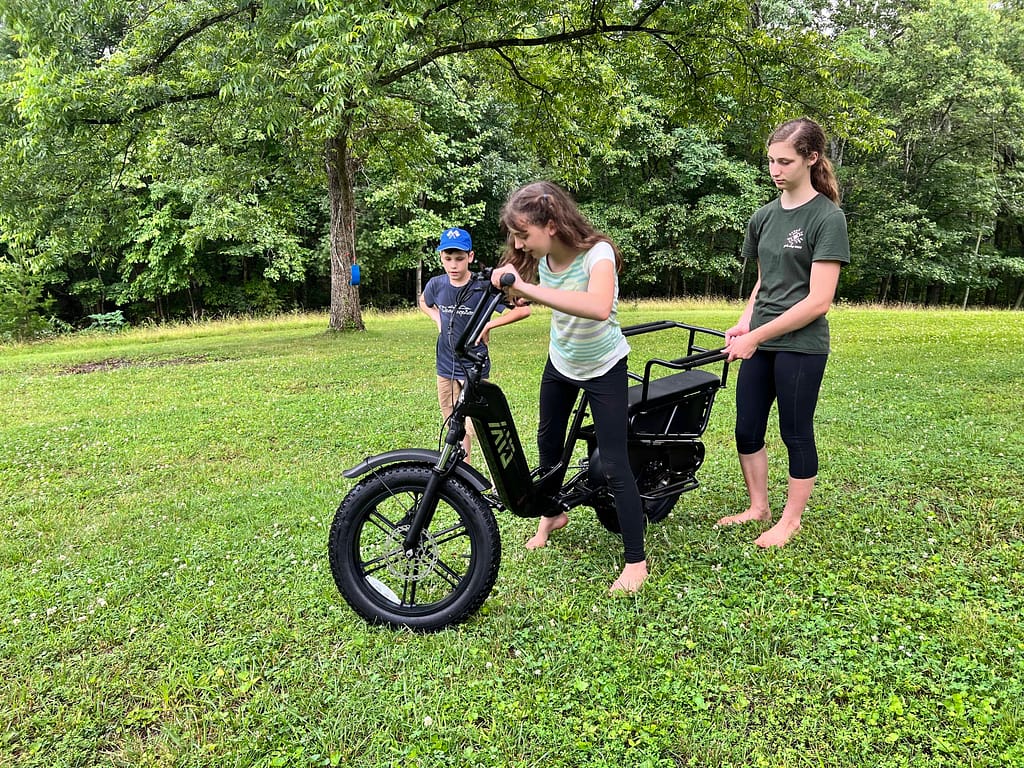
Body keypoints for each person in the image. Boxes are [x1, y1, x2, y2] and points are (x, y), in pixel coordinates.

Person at [490, 182, 647, 594]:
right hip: (561, 362)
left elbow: (597, 307)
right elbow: (514, 292)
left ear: (553, 225)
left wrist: (524, 289)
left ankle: (636, 561)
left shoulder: (599, 255)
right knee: (548, 445)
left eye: (524, 234)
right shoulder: (536, 258)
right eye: (516, 236)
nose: (519, 245)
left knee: (614, 462)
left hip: (604, 366)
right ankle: (553, 514)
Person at [716, 117, 850, 548]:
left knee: (795, 432)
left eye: (785, 161)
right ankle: (759, 507)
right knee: (747, 429)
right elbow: (763, 282)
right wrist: (744, 321)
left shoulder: (827, 219)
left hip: (801, 346)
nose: (775, 169)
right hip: (761, 338)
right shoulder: (763, 217)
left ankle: (789, 521)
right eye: (771, 160)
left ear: (811, 159)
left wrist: (756, 336)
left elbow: (818, 301)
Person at [419, 227, 531, 465]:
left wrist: (490, 325)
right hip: (445, 363)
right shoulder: (436, 285)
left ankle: (498, 479)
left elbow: (524, 309)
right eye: (448, 259)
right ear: (440, 257)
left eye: (459, 259)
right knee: (453, 422)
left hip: (473, 366)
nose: (453, 265)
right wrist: (437, 318)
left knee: (481, 425)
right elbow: (424, 302)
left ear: (470, 257)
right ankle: (464, 476)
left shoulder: (483, 287)